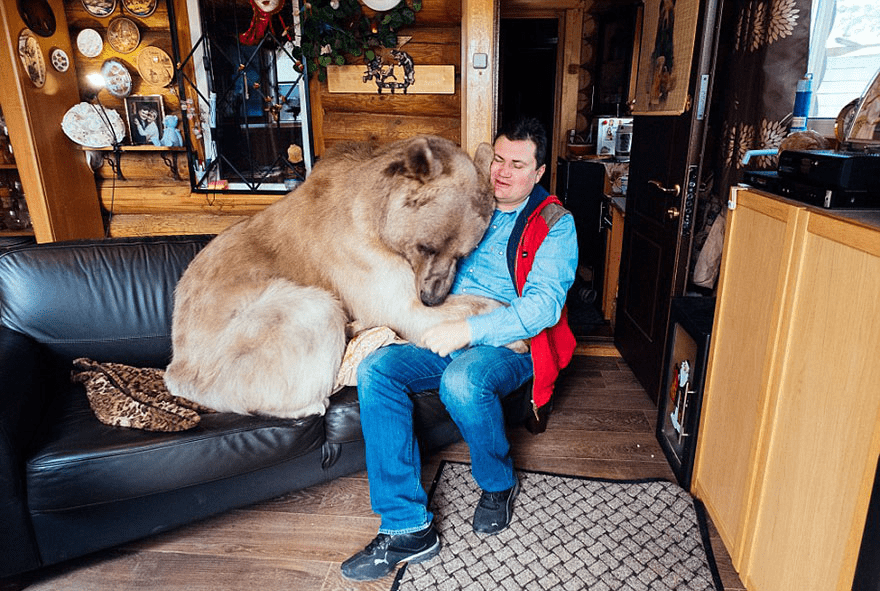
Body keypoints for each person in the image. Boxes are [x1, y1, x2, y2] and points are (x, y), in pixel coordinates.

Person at [340, 117, 579, 582]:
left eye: (518, 164)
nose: (503, 172)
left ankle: (497, 482)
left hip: (510, 340)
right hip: (443, 325)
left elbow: (545, 306)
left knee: (463, 381)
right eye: (499, 160)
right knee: (377, 369)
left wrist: (470, 331)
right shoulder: (472, 202)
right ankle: (408, 525)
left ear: (540, 171)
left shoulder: (556, 223)